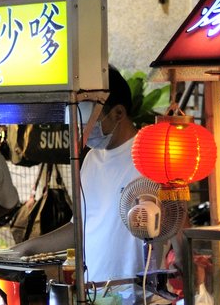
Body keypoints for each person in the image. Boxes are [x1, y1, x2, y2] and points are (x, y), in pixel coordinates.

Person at [10, 66, 144, 285]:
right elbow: (79, 227)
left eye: (89, 121)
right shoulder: (91, 159)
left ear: (118, 113)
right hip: (94, 290)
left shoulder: (148, 156)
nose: (81, 129)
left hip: (139, 294)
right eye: (78, 122)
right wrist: (26, 248)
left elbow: (174, 221)